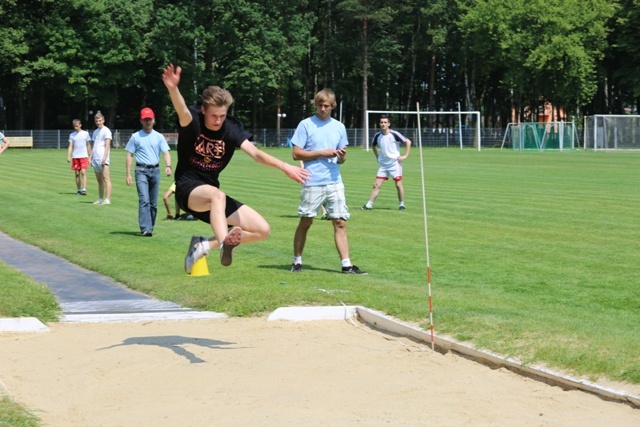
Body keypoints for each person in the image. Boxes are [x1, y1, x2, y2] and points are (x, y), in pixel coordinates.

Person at [161, 64, 310, 274]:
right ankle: (224, 244)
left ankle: (203, 245)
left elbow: (256, 154)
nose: (218, 121)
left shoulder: (230, 127)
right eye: (213, 116)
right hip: (188, 188)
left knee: (261, 230)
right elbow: (182, 109)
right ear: (203, 110)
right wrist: (173, 88)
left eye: (222, 116)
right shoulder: (193, 120)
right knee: (218, 196)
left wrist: (285, 167)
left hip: (213, 197)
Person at [290, 89, 366, 275]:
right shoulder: (306, 125)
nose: (323, 109)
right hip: (312, 180)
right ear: (316, 105)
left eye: (327, 106)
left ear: (332, 106)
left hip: (334, 181)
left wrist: (341, 156)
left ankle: (346, 265)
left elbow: (341, 159)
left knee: (340, 222)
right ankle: (297, 260)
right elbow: (296, 154)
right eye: (320, 105)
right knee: (306, 221)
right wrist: (321, 152)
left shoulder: (339, 127)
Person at [125, 108, 172, 237]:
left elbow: (166, 153)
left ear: (154, 120)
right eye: (145, 120)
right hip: (141, 170)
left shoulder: (159, 137)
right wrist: (128, 174)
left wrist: (168, 165)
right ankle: (146, 228)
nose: (148, 122)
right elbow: (129, 155)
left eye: (150, 119)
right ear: (141, 120)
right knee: (144, 200)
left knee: (153, 203)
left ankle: (150, 226)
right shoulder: (136, 136)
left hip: (155, 170)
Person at [361, 114, 411, 210]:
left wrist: (405, 156)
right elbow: (373, 145)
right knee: (376, 185)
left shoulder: (394, 134)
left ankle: (401, 204)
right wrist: (377, 157)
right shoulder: (377, 135)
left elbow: (408, 141)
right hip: (383, 165)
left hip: (394, 164)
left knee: (398, 184)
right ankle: (368, 205)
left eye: (385, 122)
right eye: (381, 122)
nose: (383, 124)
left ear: (389, 124)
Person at [91, 111, 112, 205]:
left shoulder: (106, 131)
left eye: (100, 120)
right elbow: (93, 145)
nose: (98, 122)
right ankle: (100, 199)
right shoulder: (95, 132)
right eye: (96, 121)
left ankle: (107, 199)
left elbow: (107, 145)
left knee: (106, 179)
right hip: (95, 159)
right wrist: (90, 157)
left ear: (103, 120)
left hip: (103, 159)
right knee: (99, 181)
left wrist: (104, 157)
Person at [67, 119, 92, 196]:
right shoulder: (72, 135)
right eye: (74, 126)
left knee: (83, 172)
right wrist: (68, 156)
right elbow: (70, 146)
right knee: (77, 173)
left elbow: (88, 145)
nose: (75, 128)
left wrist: (90, 156)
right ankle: (79, 189)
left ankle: (84, 189)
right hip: (75, 157)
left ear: (80, 125)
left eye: (77, 126)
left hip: (84, 156)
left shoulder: (85, 134)